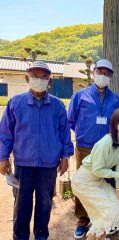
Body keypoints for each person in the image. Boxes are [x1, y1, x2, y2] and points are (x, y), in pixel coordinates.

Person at [0, 61, 74, 240]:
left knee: (44, 205)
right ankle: (20, 237)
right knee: (22, 205)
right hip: (23, 164)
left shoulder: (57, 106)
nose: (39, 80)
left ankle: (41, 236)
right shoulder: (15, 103)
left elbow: (64, 133)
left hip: (49, 165)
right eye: (35, 76)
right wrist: (3, 157)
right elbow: (5, 133)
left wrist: (65, 156)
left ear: (49, 80)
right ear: (27, 78)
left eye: (43, 77)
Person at [68, 59, 119, 238]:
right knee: (83, 183)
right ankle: (83, 219)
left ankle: (107, 219)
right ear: (93, 72)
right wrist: (84, 134)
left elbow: (118, 122)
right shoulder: (80, 95)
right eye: (100, 71)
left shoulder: (115, 99)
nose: (103, 75)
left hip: (108, 149)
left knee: (106, 182)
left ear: (111, 76)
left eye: (107, 73)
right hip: (85, 147)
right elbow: (72, 120)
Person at [72, 108, 119, 240]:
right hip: (84, 182)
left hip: (98, 181)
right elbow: (97, 170)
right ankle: (96, 236)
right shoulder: (105, 142)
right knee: (108, 212)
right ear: (115, 124)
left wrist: (118, 190)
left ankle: (100, 236)